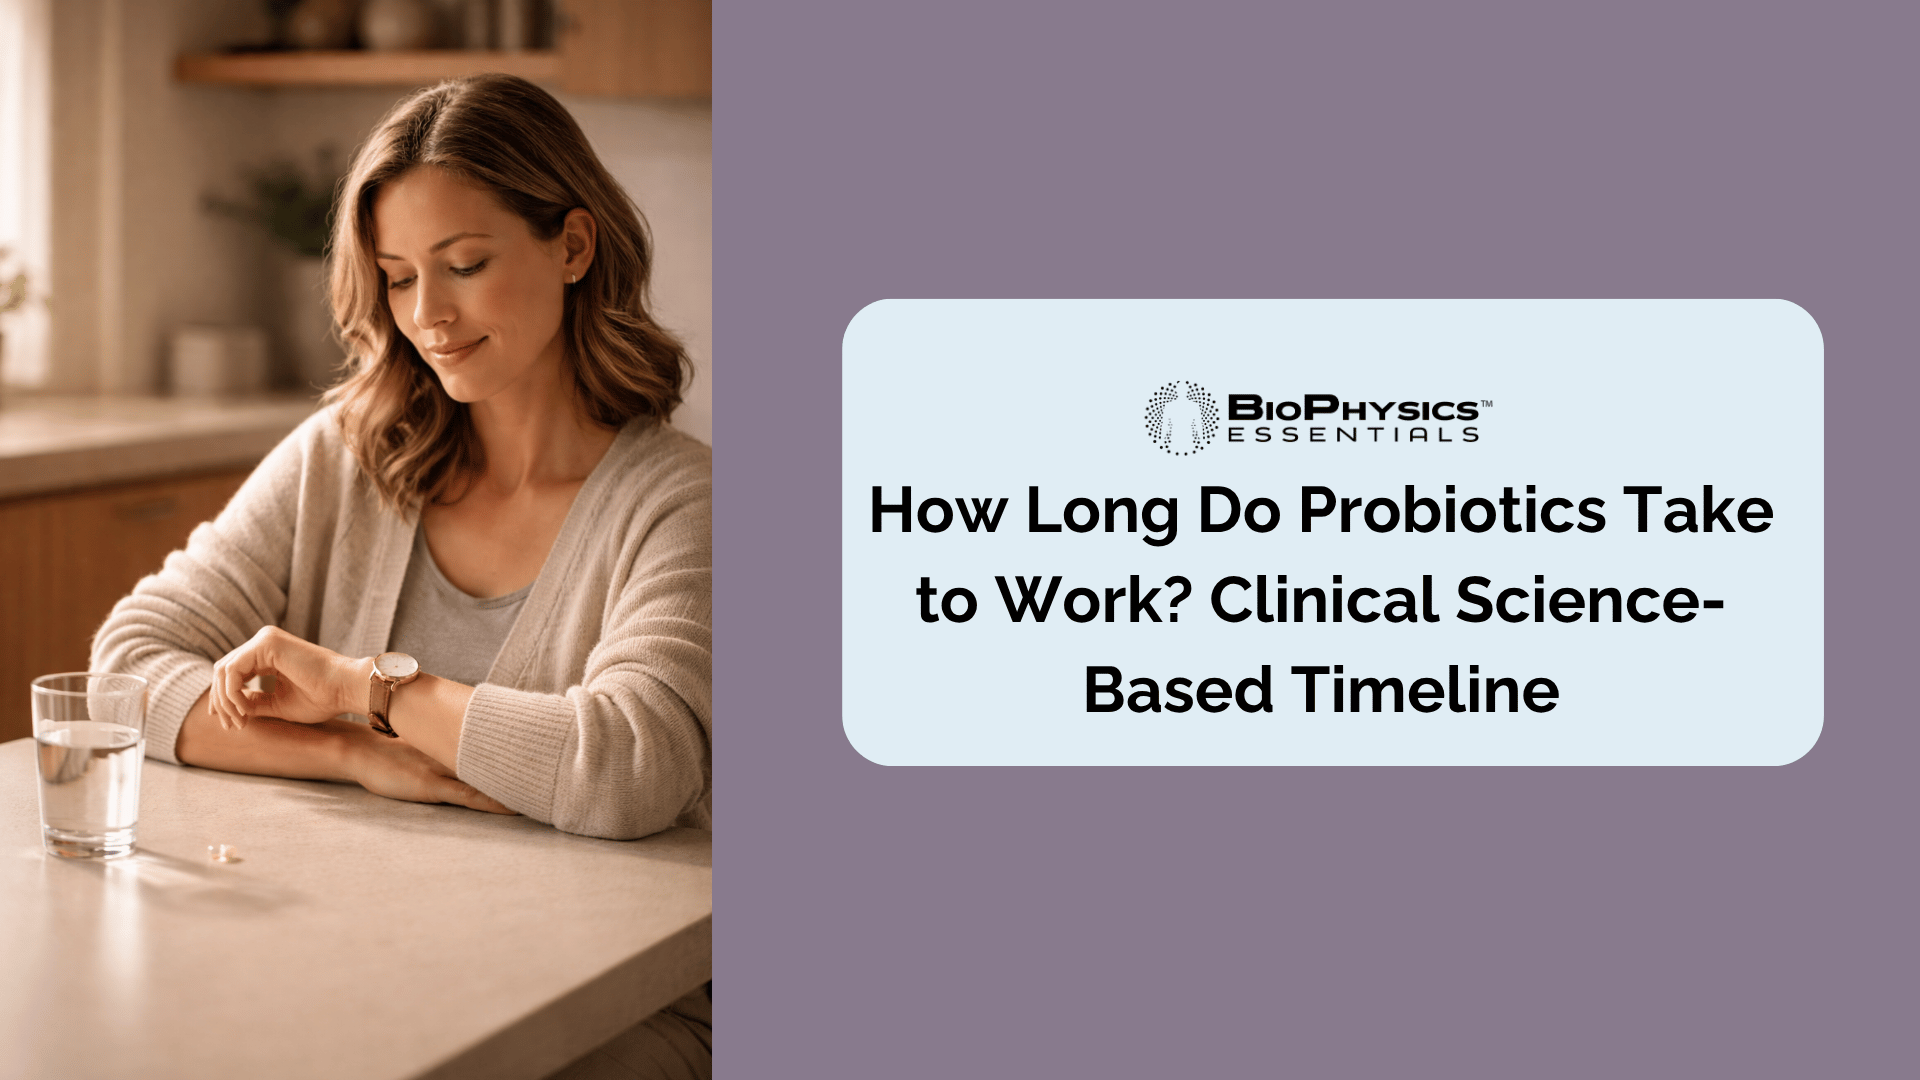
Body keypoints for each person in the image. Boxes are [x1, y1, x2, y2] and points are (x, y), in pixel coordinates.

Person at [90, 74, 711, 1078]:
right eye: (397, 275)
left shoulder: (678, 500)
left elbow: (630, 767)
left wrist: (360, 691)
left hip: (617, 1000)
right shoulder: (346, 455)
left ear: (573, 245)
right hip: (376, 951)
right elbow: (124, 669)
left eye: (464, 264)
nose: (429, 314)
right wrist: (351, 756)